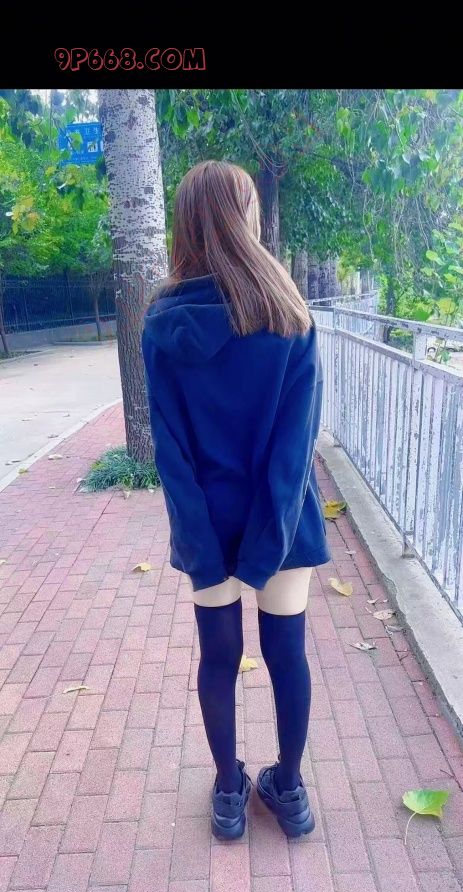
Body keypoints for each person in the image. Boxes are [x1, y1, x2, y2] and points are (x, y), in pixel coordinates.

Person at [142, 160, 330, 841]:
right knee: (287, 654)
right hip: (281, 522)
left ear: (187, 224)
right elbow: (295, 448)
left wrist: (200, 541)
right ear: (244, 218)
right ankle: (290, 790)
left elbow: (170, 451)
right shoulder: (289, 314)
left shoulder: (160, 323)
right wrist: (266, 543)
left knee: (217, 658)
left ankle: (228, 793)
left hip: (209, 522)